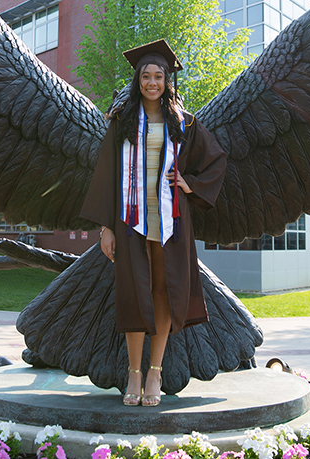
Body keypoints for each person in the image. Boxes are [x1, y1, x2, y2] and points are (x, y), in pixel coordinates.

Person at [80, 39, 227, 407]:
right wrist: (107, 227)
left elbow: (216, 159)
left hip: (170, 220)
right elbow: (107, 174)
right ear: (137, 80)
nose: (152, 82)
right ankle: (133, 372)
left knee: (163, 291)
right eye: (145, 76)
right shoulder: (121, 121)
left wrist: (190, 185)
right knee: (133, 293)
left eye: (158, 76)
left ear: (167, 80)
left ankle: (155, 372)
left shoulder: (183, 121)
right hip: (130, 220)